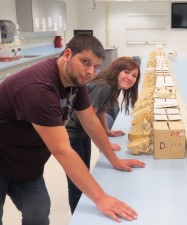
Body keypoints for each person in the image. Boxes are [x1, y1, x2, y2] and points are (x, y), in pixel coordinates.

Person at [0, 34, 145, 225]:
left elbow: (90, 122)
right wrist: (101, 198)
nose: (90, 72)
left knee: (39, 213)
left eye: (95, 66)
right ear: (67, 54)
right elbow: (62, 149)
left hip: (26, 164)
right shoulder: (39, 87)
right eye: (85, 62)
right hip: (3, 158)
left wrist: (115, 160)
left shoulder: (75, 82)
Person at [66, 56, 140, 213]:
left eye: (134, 75)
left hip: (81, 132)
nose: (130, 78)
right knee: (78, 181)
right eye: (126, 72)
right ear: (117, 70)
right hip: (72, 133)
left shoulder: (113, 87)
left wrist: (106, 131)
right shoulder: (104, 87)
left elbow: (100, 111)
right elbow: (89, 122)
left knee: (84, 174)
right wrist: (113, 158)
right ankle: (78, 217)